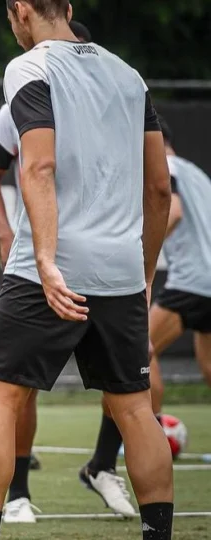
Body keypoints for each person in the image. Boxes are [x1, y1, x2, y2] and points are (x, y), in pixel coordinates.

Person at [0, 1, 174, 539]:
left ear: (22, 9)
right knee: (134, 409)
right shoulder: (128, 74)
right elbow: (159, 188)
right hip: (121, 272)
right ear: (70, 8)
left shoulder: (30, 66)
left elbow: (38, 163)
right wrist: (143, 272)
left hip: (48, 272)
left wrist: (44, 259)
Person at [0, 19, 94, 521]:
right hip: (66, 261)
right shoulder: (26, 99)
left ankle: (105, 466)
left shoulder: (114, 94)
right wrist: (5, 233)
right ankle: (20, 493)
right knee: (12, 388)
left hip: (65, 262)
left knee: (2, 393)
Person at [80, 114, 211, 513]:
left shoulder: (166, 168)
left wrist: (137, 258)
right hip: (207, 281)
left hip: (192, 282)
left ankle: (107, 460)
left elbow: (171, 212)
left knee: (137, 356)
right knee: (208, 367)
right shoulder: (198, 174)